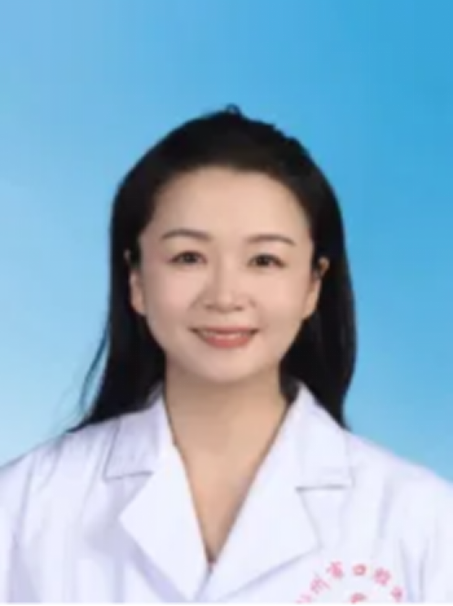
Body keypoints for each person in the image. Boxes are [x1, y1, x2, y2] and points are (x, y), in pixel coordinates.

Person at [0, 106, 452, 605]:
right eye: (188, 257)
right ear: (136, 280)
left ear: (312, 285)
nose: (225, 296)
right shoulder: (25, 506)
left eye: (264, 260)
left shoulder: (419, 519)